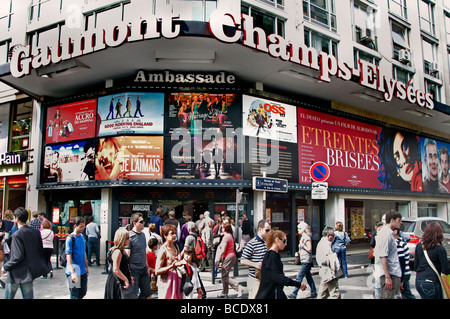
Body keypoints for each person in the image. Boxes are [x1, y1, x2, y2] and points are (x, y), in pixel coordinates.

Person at [1, 207, 49, 299]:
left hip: (16, 272)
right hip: (29, 271)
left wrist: (6, 266)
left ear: (16, 219)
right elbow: (40, 249)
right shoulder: (35, 232)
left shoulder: (17, 235)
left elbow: (17, 256)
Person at [255, 230, 305, 299]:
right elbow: (278, 277)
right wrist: (297, 284)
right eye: (284, 241)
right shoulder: (271, 256)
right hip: (269, 295)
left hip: (275, 293)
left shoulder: (275, 254)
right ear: (277, 240)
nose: (286, 244)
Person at [414, 222, 450, 299]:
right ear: (439, 234)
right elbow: (445, 270)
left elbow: (416, 266)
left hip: (419, 281)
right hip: (432, 282)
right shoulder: (440, 249)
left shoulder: (419, 246)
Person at [374, 211, 402, 299]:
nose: (400, 222)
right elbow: (383, 256)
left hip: (393, 273)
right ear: (392, 220)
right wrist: (388, 277)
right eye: (399, 220)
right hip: (391, 273)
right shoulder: (386, 233)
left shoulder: (388, 232)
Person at [241, 219, 271, 299]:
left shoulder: (267, 243)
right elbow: (243, 260)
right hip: (255, 280)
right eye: (267, 230)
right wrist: (255, 264)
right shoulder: (252, 243)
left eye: (269, 230)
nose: (269, 232)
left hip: (265, 279)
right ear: (260, 229)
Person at [125, 213, 152, 299]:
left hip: (143, 268)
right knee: (133, 294)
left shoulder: (143, 235)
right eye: (141, 221)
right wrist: (128, 272)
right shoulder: (130, 236)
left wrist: (147, 267)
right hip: (133, 269)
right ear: (134, 223)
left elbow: (143, 251)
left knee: (147, 293)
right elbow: (127, 255)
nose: (144, 223)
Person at [288, 221, 317, 299]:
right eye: (298, 228)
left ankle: (294, 293)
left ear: (304, 229)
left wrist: (303, 246)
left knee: (299, 277)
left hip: (306, 260)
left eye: (300, 228)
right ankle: (314, 291)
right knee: (308, 277)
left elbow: (309, 249)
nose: (298, 229)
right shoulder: (303, 237)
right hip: (304, 259)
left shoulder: (306, 237)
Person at [215, 223, 243, 298]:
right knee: (225, 274)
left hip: (228, 256)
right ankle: (224, 292)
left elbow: (223, 250)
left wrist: (218, 260)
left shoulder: (226, 237)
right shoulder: (229, 236)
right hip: (231, 256)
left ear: (224, 229)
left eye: (222, 227)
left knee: (224, 276)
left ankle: (238, 287)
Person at [104, 228, 134, 299]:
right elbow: (116, 269)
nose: (128, 240)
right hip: (116, 282)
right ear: (122, 239)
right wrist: (126, 279)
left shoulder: (122, 250)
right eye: (127, 238)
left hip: (121, 280)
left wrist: (129, 277)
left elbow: (124, 266)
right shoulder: (117, 251)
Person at [155, 224, 183, 299]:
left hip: (177, 281)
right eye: (172, 233)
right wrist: (171, 266)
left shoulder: (176, 247)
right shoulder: (163, 250)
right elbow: (157, 271)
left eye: (175, 233)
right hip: (166, 283)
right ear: (165, 235)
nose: (174, 235)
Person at [65, 216, 89, 299]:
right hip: (74, 270)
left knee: (83, 292)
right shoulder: (70, 238)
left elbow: (84, 252)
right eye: (81, 226)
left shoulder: (82, 237)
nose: (83, 228)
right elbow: (68, 255)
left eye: (84, 226)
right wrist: (72, 272)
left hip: (82, 271)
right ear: (75, 226)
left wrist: (86, 266)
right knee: (75, 295)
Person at [316, 226, 341, 299]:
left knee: (323, 293)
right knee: (335, 294)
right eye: (333, 235)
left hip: (324, 270)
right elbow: (327, 259)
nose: (334, 237)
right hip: (328, 270)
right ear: (328, 235)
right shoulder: (325, 244)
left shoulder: (323, 242)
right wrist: (333, 256)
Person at [393, 228, 415, 299]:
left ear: (395, 232)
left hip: (403, 273)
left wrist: (401, 280)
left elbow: (401, 262)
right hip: (405, 272)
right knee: (406, 295)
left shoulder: (398, 244)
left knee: (407, 295)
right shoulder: (402, 241)